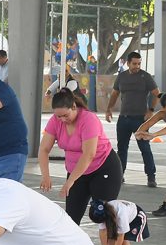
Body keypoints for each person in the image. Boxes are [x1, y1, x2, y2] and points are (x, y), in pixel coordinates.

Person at [39, 89, 121, 223]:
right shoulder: (55, 121)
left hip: (103, 168)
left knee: (103, 216)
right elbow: (44, 149)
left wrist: (70, 181)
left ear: (74, 107)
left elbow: (89, 154)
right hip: (76, 172)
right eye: (58, 116)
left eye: (65, 115)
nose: (62, 120)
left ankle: (113, 237)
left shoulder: (89, 119)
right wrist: (46, 176)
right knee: (71, 219)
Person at [104, 51, 159, 187]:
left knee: (145, 148)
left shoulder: (145, 77)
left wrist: (151, 110)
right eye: (134, 64)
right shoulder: (121, 77)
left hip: (140, 119)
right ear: (128, 63)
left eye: (139, 64)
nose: (137, 66)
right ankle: (120, 174)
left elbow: (157, 94)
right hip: (124, 118)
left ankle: (151, 176)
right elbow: (115, 94)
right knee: (122, 148)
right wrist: (109, 109)